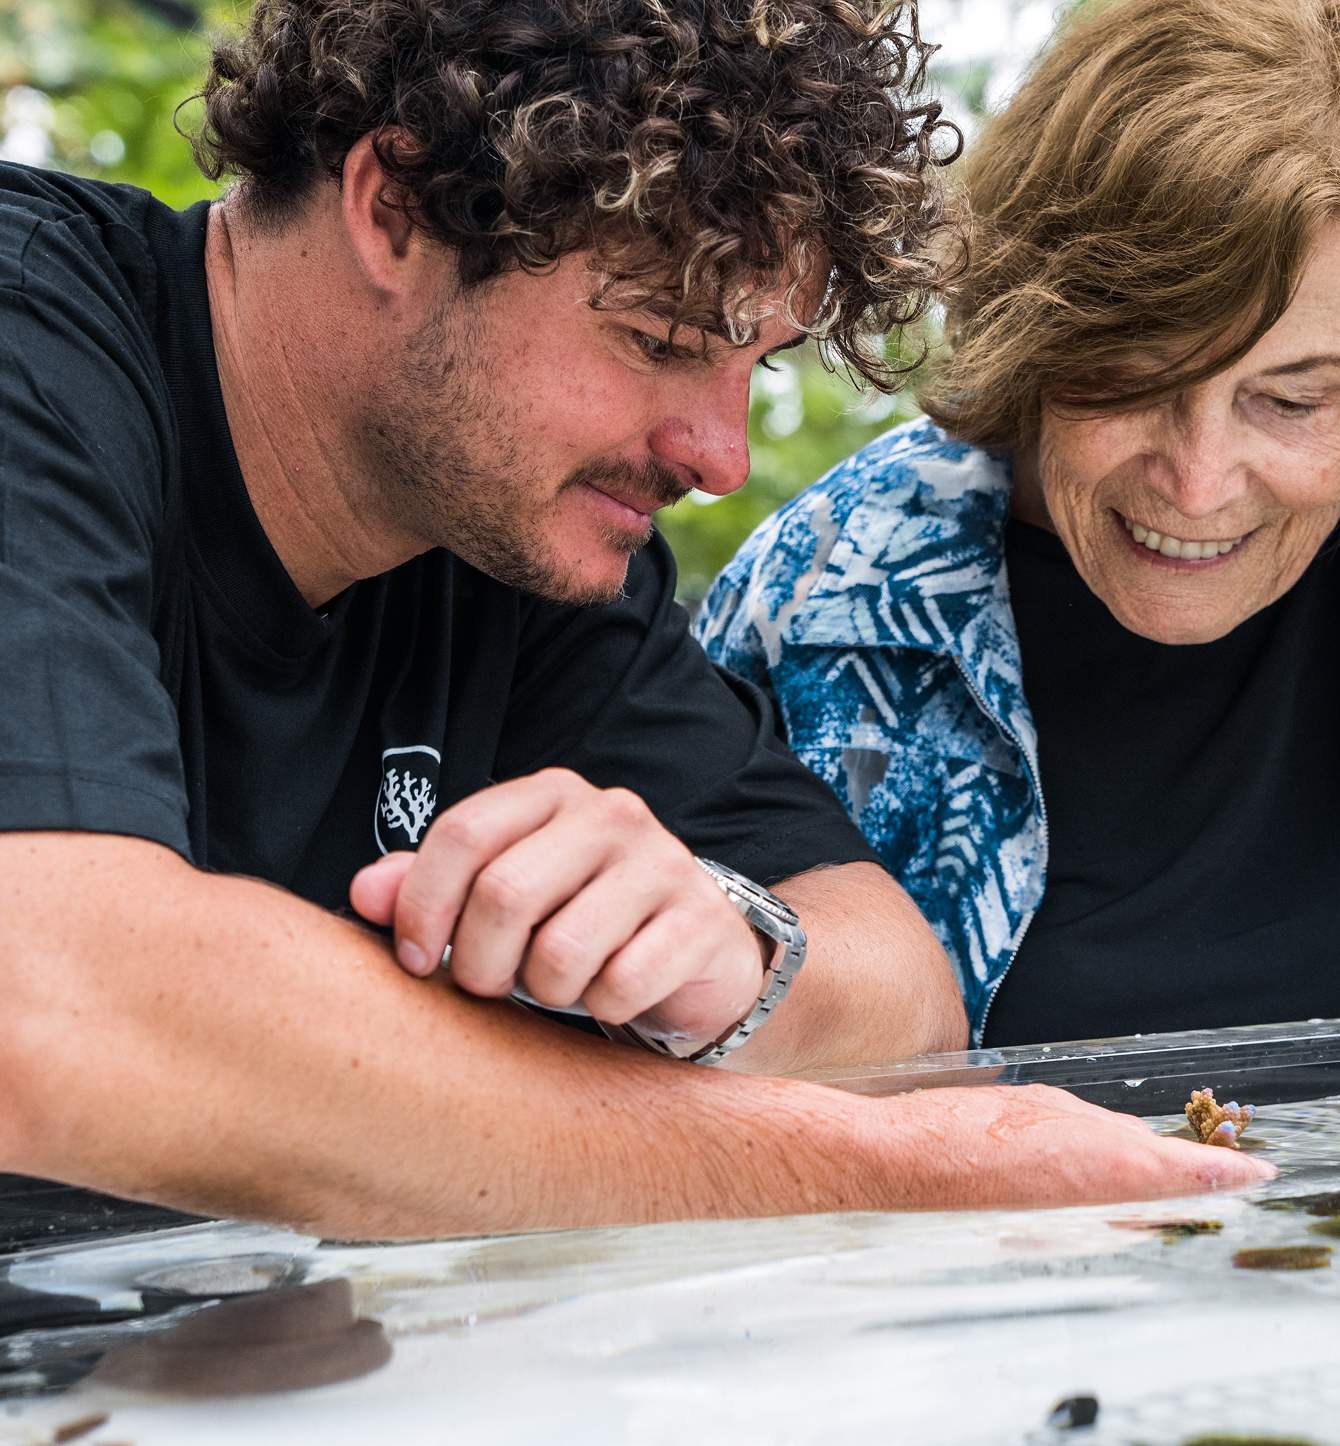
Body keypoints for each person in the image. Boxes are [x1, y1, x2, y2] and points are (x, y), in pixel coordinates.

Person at [0, 0, 1272, 1240]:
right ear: (393, 208)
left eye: (753, 366)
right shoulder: (35, 346)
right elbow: (53, 1012)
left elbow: (908, 994)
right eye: (662, 339)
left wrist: (732, 957)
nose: (719, 456)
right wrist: (880, 1165)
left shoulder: (506, 533)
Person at [698, 0, 1340, 1047]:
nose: (1197, 486)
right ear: (1035, 330)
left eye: (1291, 402)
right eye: (1133, 380)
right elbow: (679, 1102)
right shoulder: (828, 598)